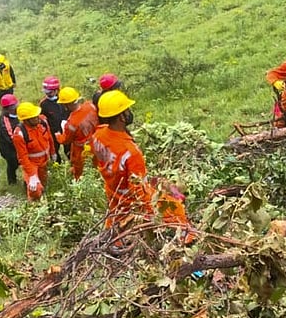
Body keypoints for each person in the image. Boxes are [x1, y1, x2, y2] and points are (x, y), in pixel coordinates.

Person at [90, 91, 193, 241]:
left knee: (161, 183)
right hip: (129, 202)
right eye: (127, 110)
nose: (129, 113)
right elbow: (140, 191)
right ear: (121, 116)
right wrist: (155, 215)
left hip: (113, 193)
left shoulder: (98, 135)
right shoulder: (131, 152)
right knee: (177, 209)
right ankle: (186, 238)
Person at [12, 102, 55, 201]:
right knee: (35, 189)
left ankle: (44, 200)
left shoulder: (43, 122)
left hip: (44, 161)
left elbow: (49, 138)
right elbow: (23, 157)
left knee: (44, 184)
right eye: (34, 117)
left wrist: (53, 153)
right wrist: (31, 175)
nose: (37, 118)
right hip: (32, 164)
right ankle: (34, 205)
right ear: (26, 120)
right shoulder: (20, 134)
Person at [56, 87, 99, 180]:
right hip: (97, 142)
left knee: (80, 170)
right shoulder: (90, 106)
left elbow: (66, 140)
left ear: (66, 105)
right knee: (97, 165)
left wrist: (58, 136)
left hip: (81, 150)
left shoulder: (71, 123)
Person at [39, 76, 67, 163]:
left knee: (69, 150)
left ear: (56, 90)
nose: (48, 95)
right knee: (54, 151)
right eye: (46, 93)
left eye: (50, 92)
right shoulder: (44, 104)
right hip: (53, 132)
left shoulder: (64, 98)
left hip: (66, 130)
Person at [0, 94, 21, 186]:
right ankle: (12, 182)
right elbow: (11, 137)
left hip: (16, 144)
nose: (15, 108)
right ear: (6, 108)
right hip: (8, 148)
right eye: (12, 106)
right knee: (13, 164)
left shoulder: (16, 114)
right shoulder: (5, 121)